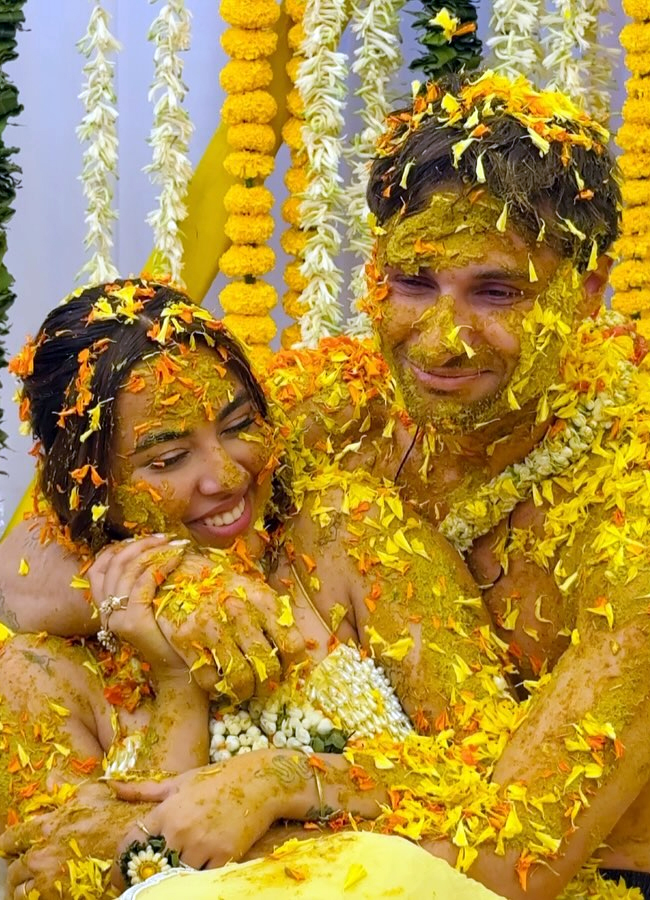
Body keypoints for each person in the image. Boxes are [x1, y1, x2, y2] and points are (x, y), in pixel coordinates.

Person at [2, 70, 649, 899]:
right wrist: (172, 582)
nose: (442, 341)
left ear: (586, 293)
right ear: (374, 268)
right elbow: (29, 562)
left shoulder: (630, 511)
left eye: (496, 292)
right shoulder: (327, 405)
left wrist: (281, 783)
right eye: (414, 282)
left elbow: (509, 857)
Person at [0, 280, 511, 898]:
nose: (225, 474)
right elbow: (62, 877)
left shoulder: (348, 536)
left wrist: (283, 780)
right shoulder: (36, 675)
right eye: (167, 459)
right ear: (89, 483)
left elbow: (500, 776)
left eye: (239, 424)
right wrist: (177, 684)